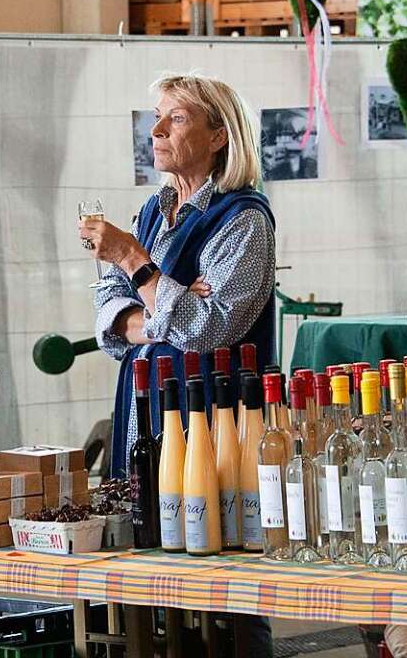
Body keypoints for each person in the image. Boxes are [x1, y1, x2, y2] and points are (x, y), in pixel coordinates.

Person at [80, 73, 276, 657]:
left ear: (219, 135)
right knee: (149, 572)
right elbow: (108, 315)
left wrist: (136, 263)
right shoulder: (151, 209)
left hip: (214, 427)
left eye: (178, 118)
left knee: (229, 585)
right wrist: (164, 300)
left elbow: (212, 327)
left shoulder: (244, 221)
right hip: (145, 416)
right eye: (157, 117)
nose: (158, 130)